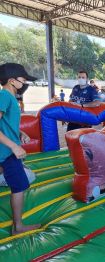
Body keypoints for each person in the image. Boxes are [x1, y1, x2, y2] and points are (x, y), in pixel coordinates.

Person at [0, 63, 41, 235]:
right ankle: (18, 227)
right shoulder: (4, 96)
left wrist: (20, 132)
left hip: (6, 150)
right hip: (6, 152)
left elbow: (6, 123)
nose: (25, 83)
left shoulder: (9, 98)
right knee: (19, 185)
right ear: (11, 81)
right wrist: (14, 146)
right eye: (23, 80)